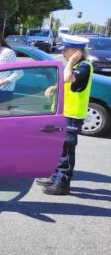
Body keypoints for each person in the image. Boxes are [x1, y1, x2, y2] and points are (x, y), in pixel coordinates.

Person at [37, 34, 93, 195]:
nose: (63, 52)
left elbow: (68, 77)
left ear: (76, 52)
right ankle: (56, 177)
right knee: (60, 147)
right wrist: (54, 88)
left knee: (67, 149)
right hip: (64, 113)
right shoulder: (76, 65)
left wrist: (70, 62)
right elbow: (66, 82)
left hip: (73, 115)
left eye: (66, 50)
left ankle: (62, 183)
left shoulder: (84, 66)